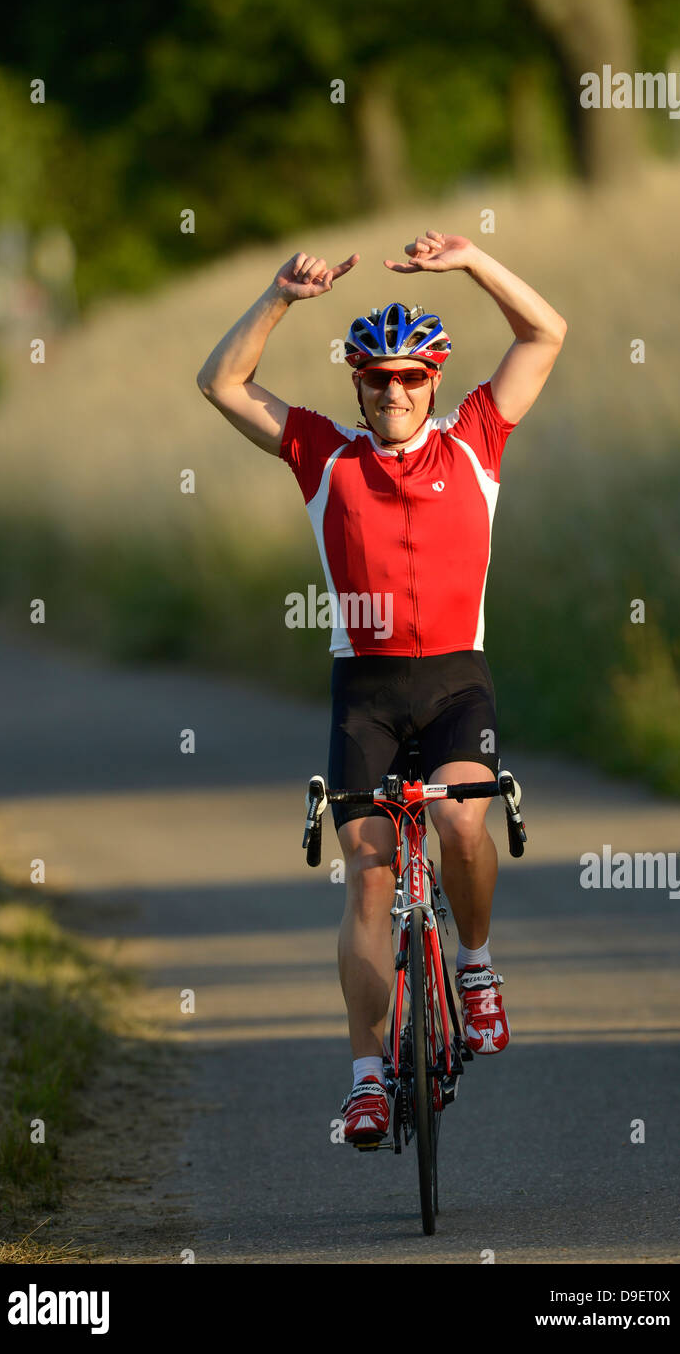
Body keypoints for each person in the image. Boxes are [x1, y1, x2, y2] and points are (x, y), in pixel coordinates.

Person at [197, 230, 566, 1144]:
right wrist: (279, 296)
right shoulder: (325, 457)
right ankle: (366, 1080)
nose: (393, 391)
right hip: (363, 691)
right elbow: (222, 384)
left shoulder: (476, 440)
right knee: (367, 878)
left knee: (462, 820)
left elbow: (545, 333)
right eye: (375, 378)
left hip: (454, 686)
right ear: (357, 384)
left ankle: (475, 969)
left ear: (434, 382)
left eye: (410, 376)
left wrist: (475, 258)